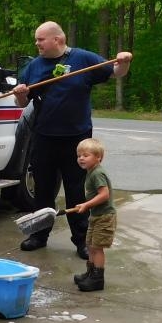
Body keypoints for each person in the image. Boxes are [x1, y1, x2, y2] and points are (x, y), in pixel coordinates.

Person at [13, 21, 132, 259]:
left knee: (77, 190)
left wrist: (124, 61)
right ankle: (38, 235)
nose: (37, 44)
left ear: (57, 39)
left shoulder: (83, 59)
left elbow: (116, 72)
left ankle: (82, 241)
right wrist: (21, 95)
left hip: (76, 140)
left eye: (40, 39)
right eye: (36, 40)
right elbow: (22, 103)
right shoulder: (34, 66)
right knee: (43, 188)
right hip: (44, 136)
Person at [72, 138, 116, 291]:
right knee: (90, 245)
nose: (81, 158)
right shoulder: (91, 172)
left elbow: (104, 195)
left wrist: (86, 205)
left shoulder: (97, 173)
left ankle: (97, 279)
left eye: (86, 155)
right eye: (79, 155)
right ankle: (90, 273)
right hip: (97, 215)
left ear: (98, 157)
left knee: (97, 247)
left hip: (105, 217)